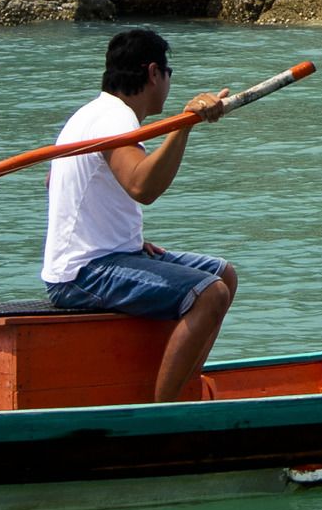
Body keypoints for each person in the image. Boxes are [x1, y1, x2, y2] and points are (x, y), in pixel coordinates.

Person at [42, 27, 239, 402]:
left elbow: (56, 185)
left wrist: (124, 237)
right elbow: (142, 187)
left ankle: (185, 386)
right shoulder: (114, 120)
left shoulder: (89, 115)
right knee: (210, 294)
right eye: (168, 73)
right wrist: (184, 126)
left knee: (223, 274)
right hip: (82, 273)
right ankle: (165, 411)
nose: (168, 82)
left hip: (108, 254)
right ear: (153, 73)